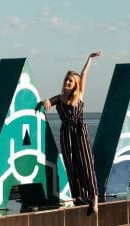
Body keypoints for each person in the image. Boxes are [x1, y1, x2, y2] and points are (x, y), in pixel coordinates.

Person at [42, 52, 101, 214]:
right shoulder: (59, 97)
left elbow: (84, 74)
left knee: (86, 163)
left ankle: (94, 197)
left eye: (71, 81)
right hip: (66, 133)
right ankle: (78, 196)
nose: (68, 82)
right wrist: (46, 101)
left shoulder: (79, 95)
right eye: (66, 80)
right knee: (71, 164)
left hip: (80, 132)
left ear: (75, 84)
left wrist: (89, 58)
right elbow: (47, 102)